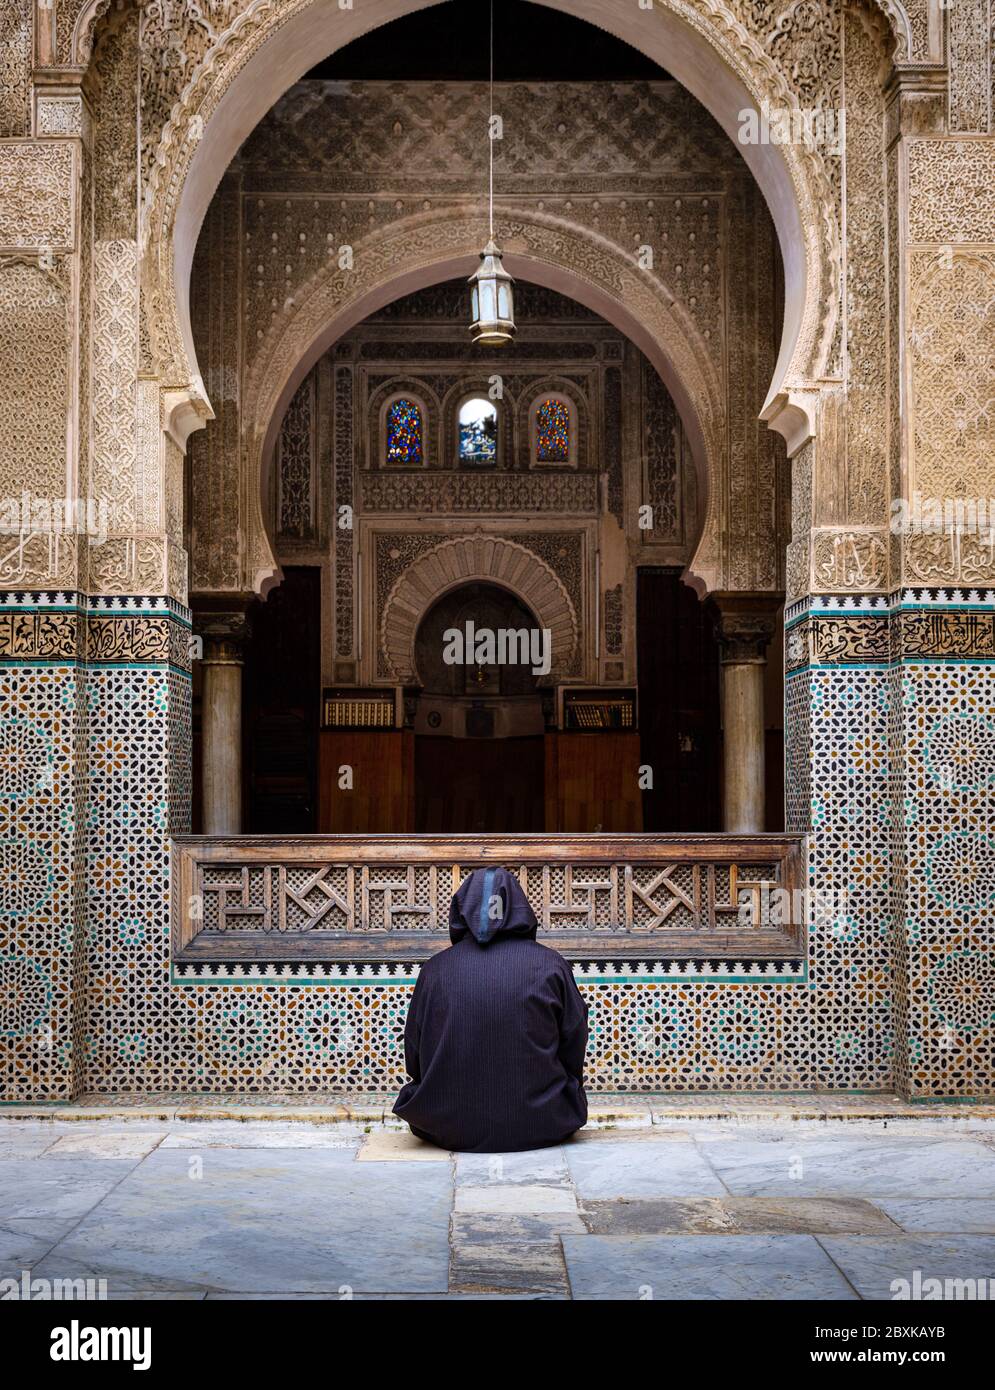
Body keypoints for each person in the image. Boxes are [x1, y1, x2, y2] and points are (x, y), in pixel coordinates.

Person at [393, 865, 589, 1152]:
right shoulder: (551, 965)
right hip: (543, 1121)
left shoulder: (435, 970)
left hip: (445, 1124)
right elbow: (574, 1041)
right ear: (520, 908)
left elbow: (415, 1051)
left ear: (462, 910)